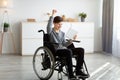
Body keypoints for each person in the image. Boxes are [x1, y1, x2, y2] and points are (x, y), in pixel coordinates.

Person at [47, 10, 87, 80]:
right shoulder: (50, 31)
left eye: (61, 24)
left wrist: (71, 41)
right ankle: (71, 75)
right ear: (54, 23)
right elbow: (49, 24)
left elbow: (64, 44)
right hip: (56, 50)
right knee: (69, 51)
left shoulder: (62, 33)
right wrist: (52, 15)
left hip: (64, 49)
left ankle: (78, 71)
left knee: (81, 50)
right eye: (58, 24)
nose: (60, 26)